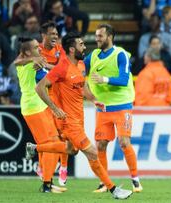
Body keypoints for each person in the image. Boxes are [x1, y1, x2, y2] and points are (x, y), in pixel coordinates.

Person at [25, 32, 133, 200]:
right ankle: (113, 190)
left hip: (78, 119)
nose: (84, 47)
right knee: (92, 153)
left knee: (71, 150)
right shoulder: (62, 67)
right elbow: (40, 87)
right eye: (81, 44)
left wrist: (93, 100)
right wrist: (54, 108)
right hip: (69, 122)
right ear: (71, 48)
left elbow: (81, 88)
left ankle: (34, 148)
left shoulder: (81, 65)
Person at [85, 24, 142, 193]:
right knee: (101, 146)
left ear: (110, 37)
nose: (97, 39)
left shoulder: (120, 54)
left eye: (100, 36)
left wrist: (104, 79)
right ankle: (104, 182)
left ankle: (135, 179)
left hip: (122, 105)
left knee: (124, 142)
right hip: (103, 108)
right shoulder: (93, 55)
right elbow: (76, 66)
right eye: (96, 36)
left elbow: (124, 79)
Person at [15, 21, 69, 186]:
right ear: (27, 51)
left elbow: (49, 68)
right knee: (51, 144)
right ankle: (47, 182)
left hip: (38, 106)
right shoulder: (31, 62)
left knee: (50, 144)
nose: (40, 49)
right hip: (34, 107)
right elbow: (21, 62)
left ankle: (47, 180)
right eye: (36, 47)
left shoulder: (34, 62)